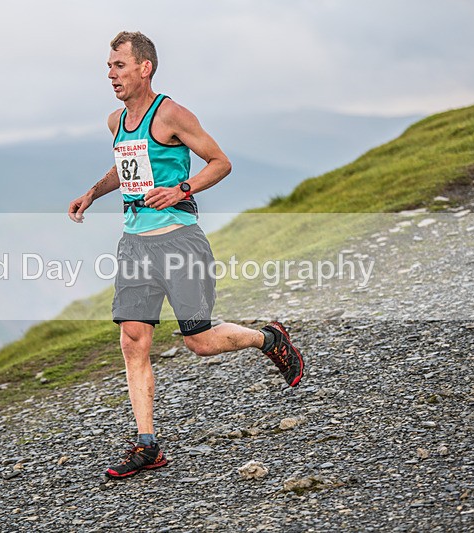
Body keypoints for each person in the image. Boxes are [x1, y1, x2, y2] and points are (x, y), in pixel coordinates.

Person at [68, 31, 304, 479]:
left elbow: (220, 162)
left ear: (144, 68)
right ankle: (147, 445)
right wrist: (93, 193)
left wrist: (181, 189)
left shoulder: (171, 114)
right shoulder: (116, 122)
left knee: (200, 341)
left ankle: (269, 339)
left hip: (179, 242)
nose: (111, 74)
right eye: (109, 67)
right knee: (132, 340)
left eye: (119, 65)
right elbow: (126, 167)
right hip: (134, 245)